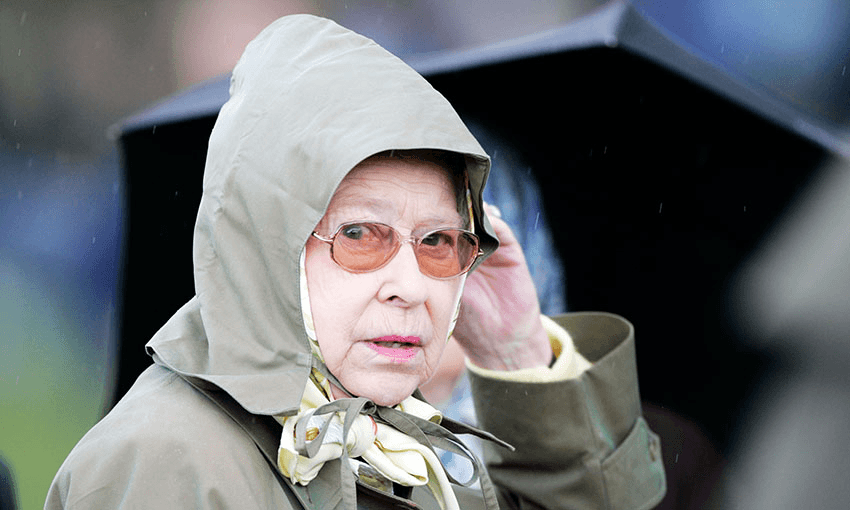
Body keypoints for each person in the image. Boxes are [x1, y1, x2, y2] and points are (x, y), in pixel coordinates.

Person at [45, 14, 665, 509]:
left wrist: (517, 354)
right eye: (362, 235)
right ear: (271, 240)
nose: (410, 286)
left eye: (438, 242)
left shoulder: (404, 445)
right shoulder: (171, 461)